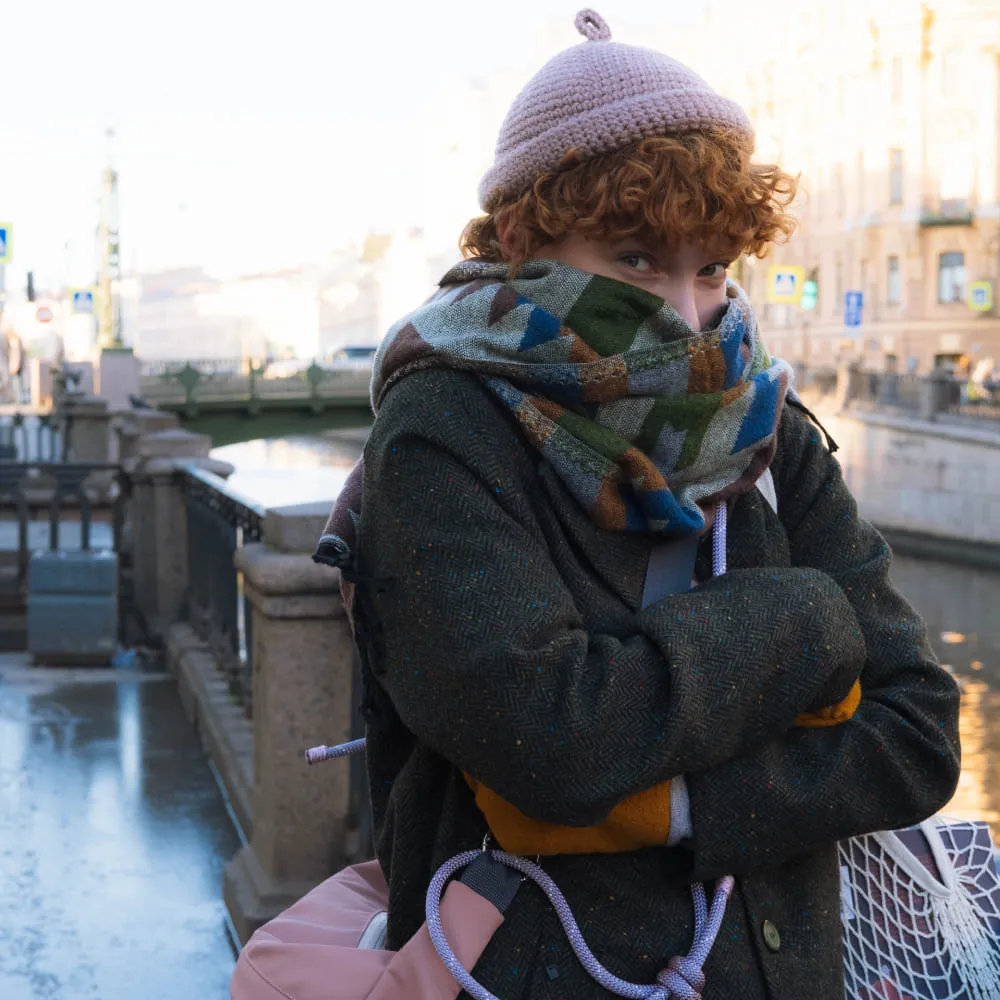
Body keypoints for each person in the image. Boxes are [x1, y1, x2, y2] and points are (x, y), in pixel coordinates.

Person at [317, 11, 960, 998]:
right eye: (634, 259)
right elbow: (547, 735)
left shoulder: (762, 422)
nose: (683, 315)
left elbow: (918, 732)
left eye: (707, 267)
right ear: (526, 237)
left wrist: (669, 805)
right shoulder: (443, 424)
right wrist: (803, 622)